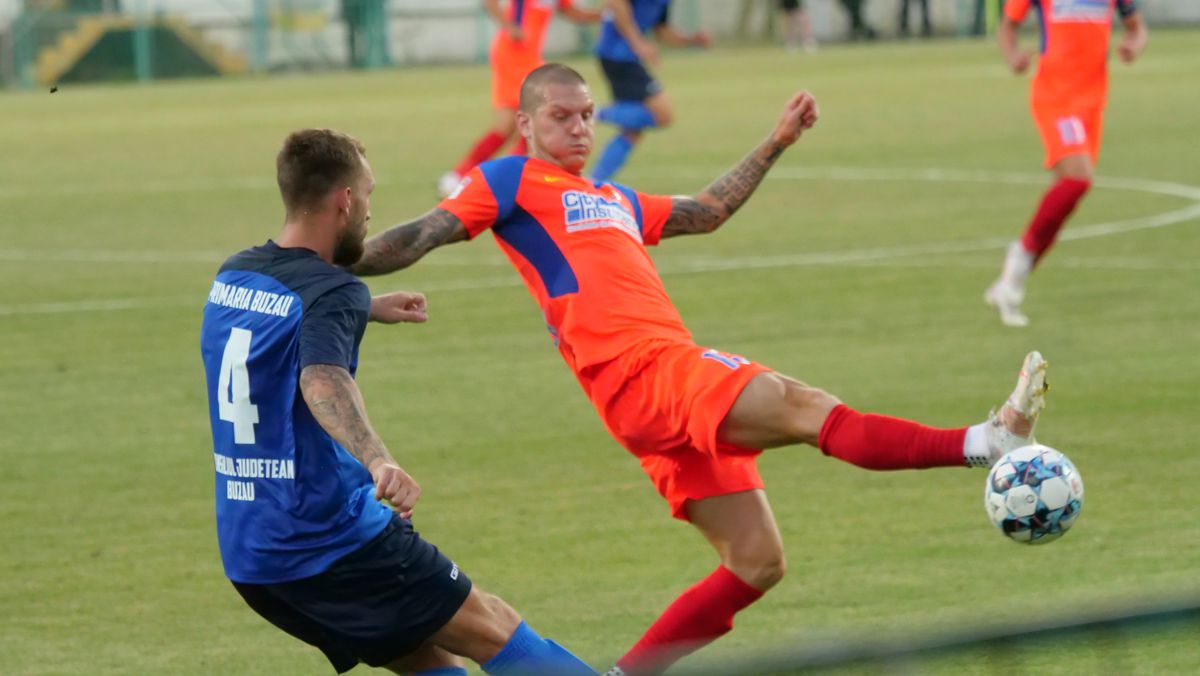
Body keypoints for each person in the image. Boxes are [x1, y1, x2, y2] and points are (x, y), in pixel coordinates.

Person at [351, 65, 1050, 674]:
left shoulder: (615, 200)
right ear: (525, 123)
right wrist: (322, 263)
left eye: (588, 115)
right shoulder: (508, 179)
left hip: (653, 392)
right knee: (803, 405)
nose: (579, 127)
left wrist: (775, 143)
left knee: (757, 561)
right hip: (643, 370)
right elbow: (419, 235)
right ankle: (988, 441)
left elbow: (707, 211)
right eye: (561, 116)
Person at [200, 128, 597, 676]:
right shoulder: (331, 292)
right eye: (367, 194)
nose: (367, 210)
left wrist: (362, 307)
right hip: (326, 540)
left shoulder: (236, 274)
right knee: (496, 629)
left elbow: (276, 332)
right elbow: (321, 378)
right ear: (344, 199)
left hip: (253, 554)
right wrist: (377, 457)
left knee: (427, 660)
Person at [985, 0, 1146, 326]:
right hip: (1056, 96)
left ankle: (1010, 285)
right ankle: (1017, 260)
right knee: (1078, 179)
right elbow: (1007, 25)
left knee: (1065, 195)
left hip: (1093, 102)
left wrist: (1133, 45)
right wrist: (1012, 56)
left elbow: (1137, 27)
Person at [438, 0, 601, 197]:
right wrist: (509, 26)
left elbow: (570, 12)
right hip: (512, 53)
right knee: (515, 124)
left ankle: (507, 180)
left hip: (531, 58)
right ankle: (460, 176)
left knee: (530, 125)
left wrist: (604, 16)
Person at [589, 0, 710, 182]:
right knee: (663, 115)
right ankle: (593, 114)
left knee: (632, 130)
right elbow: (616, 3)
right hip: (617, 55)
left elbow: (662, 30)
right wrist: (638, 43)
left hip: (626, 57)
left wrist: (691, 39)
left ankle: (596, 181)